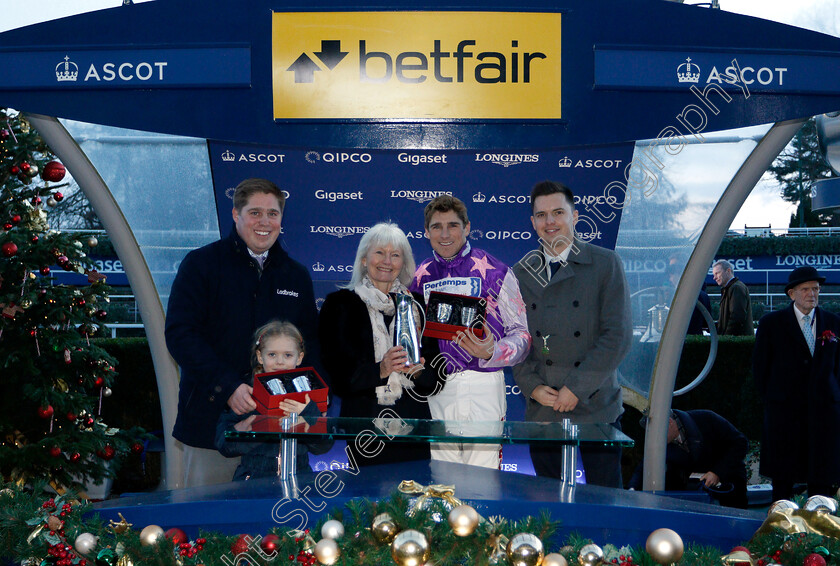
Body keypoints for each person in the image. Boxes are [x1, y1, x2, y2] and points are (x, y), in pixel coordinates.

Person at [166, 178, 321, 487]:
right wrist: (229, 387)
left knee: (279, 529)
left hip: (280, 442)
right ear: (236, 214)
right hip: (211, 430)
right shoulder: (201, 264)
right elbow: (180, 334)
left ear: (281, 219)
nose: (264, 222)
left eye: (273, 214)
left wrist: (309, 411)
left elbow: (311, 349)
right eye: (255, 212)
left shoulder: (296, 275)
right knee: (209, 528)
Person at [512, 181, 632, 487]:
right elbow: (515, 338)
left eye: (558, 213)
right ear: (532, 222)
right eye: (541, 215)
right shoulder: (521, 272)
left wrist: (576, 389)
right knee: (547, 502)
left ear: (574, 216)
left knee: (606, 499)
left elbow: (617, 335)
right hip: (544, 406)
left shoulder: (605, 264)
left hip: (596, 405)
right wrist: (533, 387)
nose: (550, 222)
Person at [409, 195, 531, 469]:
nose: (444, 234)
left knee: (484, 474)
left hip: (484, 384)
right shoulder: (419, 277)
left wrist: (493, 351)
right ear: (426, 232)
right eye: (436, 226)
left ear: (467, 228)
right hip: (439, 387)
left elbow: (523, 335)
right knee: (442, 474)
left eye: (452, 225)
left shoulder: (497, 271)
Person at [319, 222, 441, 467]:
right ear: (364, 259)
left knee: (413, 499)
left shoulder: (417, 305)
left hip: (414, 426)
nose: (387, 260)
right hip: (365, 429)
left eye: (395, 255)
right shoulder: (339, 304)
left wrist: (418, 371)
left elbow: (435, 380)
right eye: (379, 252)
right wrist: (382, 369)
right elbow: (340, 379)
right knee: (367, 503)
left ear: (403, 264)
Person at [753, 265, 840, 501]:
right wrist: (774, 401)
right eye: (805, 289)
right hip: (785, 415)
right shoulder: (771, 324)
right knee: (783, 479)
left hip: (823, 415)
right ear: (791, 293)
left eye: (816, 289)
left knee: (821, 478)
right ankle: (779, 526)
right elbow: (760, 370)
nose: (812, 294)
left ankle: (820, 526)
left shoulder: (833, 322)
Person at [215, 321, 331, 480]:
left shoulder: (309, 395)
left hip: (300, 479)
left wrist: (308, 414)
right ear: (259, 356)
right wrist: (243, 431)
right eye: (272, 354)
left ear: (299, 358)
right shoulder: (246, 393)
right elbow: (223, 444)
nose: (280, 362)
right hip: (253, 481)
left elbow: (323, 446)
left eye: (288, 355)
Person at [629, 409, 749, 508]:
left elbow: (740, 442)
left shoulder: (706, 419)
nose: (654, 439)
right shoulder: (664, 446)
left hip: (730, 484)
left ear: (670, 423)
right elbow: (645, 464)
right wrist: (632, 490)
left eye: (656, 433)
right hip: (697, 495)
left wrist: (717, 472)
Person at [666, 263, 712, 335]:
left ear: (678, 275)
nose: (670, 279)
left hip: (683, 336)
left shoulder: (685, 294)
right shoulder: (703, 294)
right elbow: (706, 321)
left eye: (671, 276)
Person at [712, 259, 754, 336]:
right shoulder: (731, 288)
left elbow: (736, 318)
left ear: (728, 271)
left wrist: (726, 338)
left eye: (717, 273)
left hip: (736, 342)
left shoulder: (736, 288)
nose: (714, 278)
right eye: (714, 275)